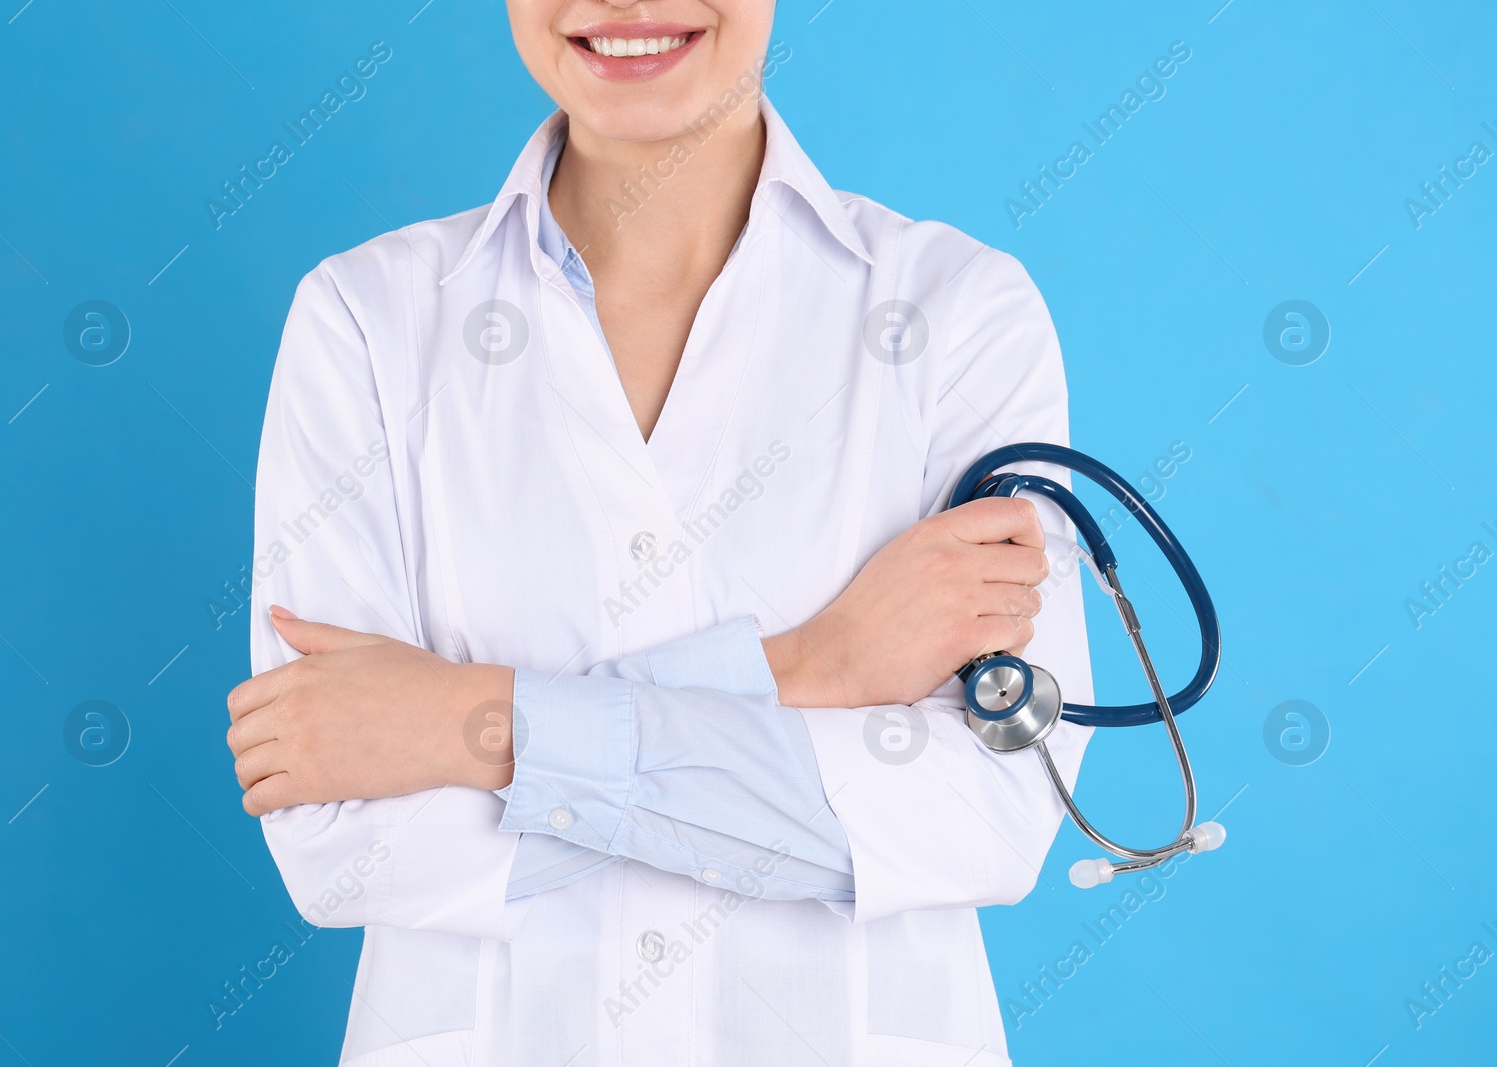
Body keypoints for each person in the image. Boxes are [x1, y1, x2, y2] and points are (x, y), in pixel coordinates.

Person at [224, 2, 1094, 1063]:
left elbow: (984, 813)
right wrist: (809, 669)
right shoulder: (366, 321)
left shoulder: (955, 313)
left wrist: (469, 719)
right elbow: (339, 840)